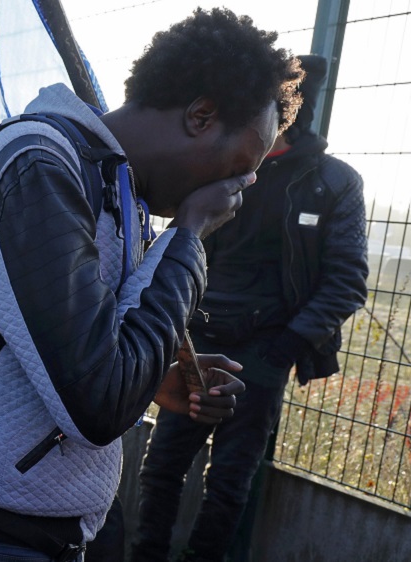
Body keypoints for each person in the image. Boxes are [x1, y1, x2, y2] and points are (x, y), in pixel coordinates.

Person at [0, 8, 304, 561]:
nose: (239, 187)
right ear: (201, 115)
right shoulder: (39, 168)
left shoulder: (115, 188)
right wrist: (189, 235)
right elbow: (99, 401)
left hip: (39, 528)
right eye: (241, 164)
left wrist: (156, 378)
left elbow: (78, 349)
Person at [129, 54, 369, 562]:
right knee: (163, 466)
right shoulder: (216, 166)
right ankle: (146, 555)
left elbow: (346, 281)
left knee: (232, 478)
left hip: (266, 349)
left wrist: (286, 346)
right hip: (196, 339)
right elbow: (176, 244)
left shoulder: (332, 183)